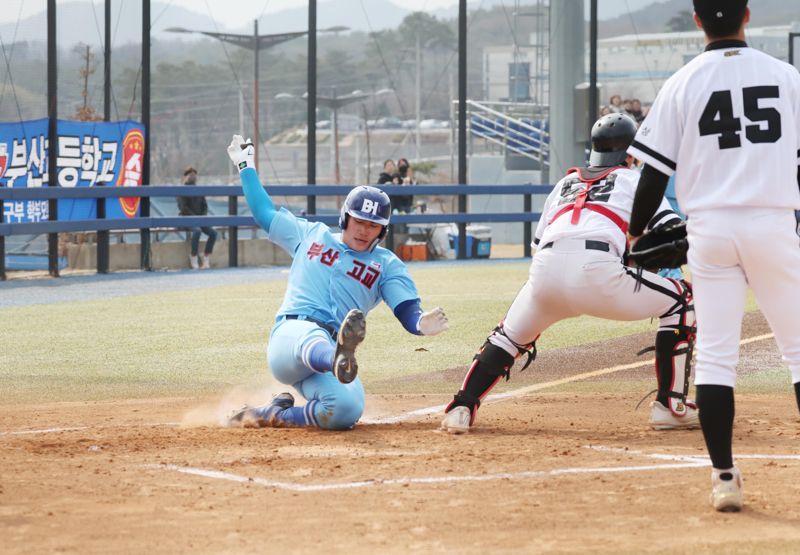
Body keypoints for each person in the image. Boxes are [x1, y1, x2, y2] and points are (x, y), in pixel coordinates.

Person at [626, 0, 800, 513]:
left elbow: (653, 174)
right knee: (798, 351)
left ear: (698, 20)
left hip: (710, 231)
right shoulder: (786, 76)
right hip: (772, 223)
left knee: (719, 358)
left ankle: (724, 477)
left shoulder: (682, 82)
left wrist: (636, 234)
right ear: (748, 14)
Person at [440, 113, 699, 435]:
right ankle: (670, 406)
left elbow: (540, 243)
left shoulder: (565, 183)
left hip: (546, 270)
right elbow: (671, 232)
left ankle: (461, 407)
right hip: (598, 271)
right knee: (681, 299)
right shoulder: (634, 180)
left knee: (508, 336)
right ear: (632, 153)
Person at [225, 135, 449, 430]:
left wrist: (420, 323)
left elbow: (406, 309)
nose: (364, 231)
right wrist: (245, 165)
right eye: (359, 221)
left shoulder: (386, 265)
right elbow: (263, 213)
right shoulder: (311, 235)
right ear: (345, 218)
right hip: (291, 339)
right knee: (314, 338)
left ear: (382, 231)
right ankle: (335, 356)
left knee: (346, 409)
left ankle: (271, 414)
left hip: (333, 354)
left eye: (373, 226)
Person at [177, 166, 217, 270]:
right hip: (186, 219)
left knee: (213, 233)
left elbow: (205, 205)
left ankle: (206, 256)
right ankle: (193, 256)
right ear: (185, 177)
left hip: (200, 220)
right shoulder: (181, 190)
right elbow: (183, 208)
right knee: (197, 231)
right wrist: (195, 217)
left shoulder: (199, 189)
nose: (193, 177)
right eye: (190, 174)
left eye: (194, 175)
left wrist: (202, 216)